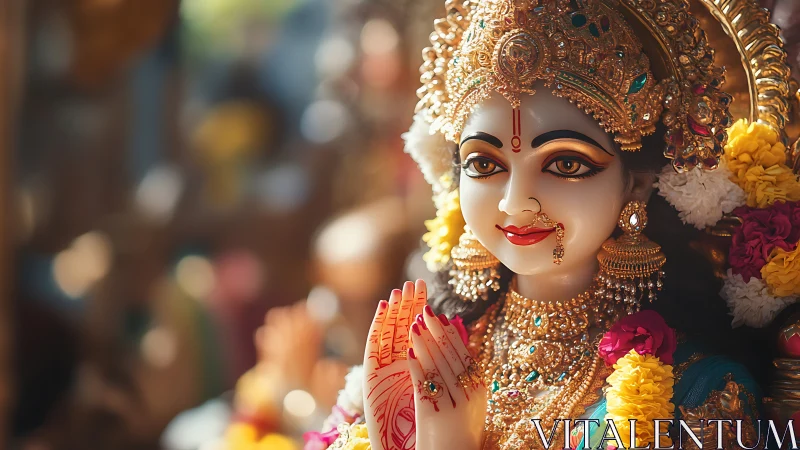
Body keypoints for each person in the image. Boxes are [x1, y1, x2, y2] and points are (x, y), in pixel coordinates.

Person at [308, 0, 800, 449]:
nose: (516, 203)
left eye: (565, 164)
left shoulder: (699, 396)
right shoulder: (420, 359)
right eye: (484, 164)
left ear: (638, 184)